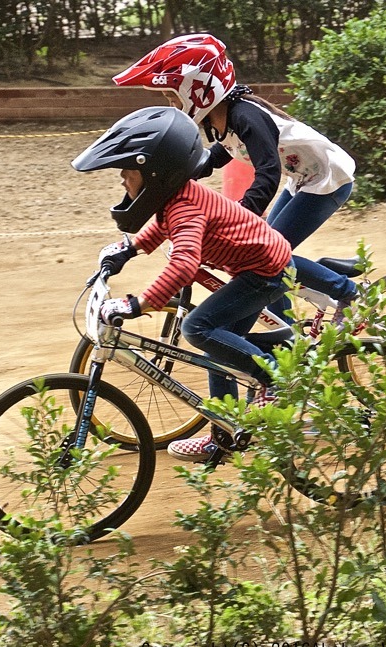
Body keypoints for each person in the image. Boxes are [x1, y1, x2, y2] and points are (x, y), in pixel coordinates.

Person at [72, 105, 294, 463]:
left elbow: (185, 262)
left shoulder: (186, 206)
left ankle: (275, 380)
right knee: (218, 351)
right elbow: (162, 228)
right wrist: (128, 250)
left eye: (127, 173)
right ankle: (222, 436)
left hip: (266, 270)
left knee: (197, 327)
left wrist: (137, 303)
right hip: (252, 268)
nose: (122, 181)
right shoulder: (176, 197)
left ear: (155, 174)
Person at [112, 33, 359, 322]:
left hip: (327, 179)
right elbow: (217, 156)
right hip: (302, 180)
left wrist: (240, 218)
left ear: (198, 90)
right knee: (269, 258)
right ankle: (289, 333)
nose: (171, 105)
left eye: (172, 97)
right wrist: (170, 178)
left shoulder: (246, 116)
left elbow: (267, 174)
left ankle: (350, 293)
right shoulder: (222, 118)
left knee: (271, 256)